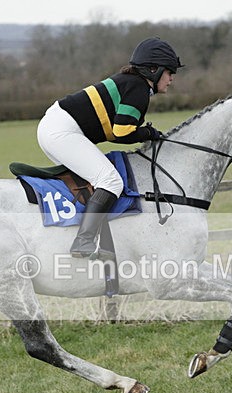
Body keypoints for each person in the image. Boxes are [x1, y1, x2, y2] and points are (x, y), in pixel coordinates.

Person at [37, 37, 183, 258]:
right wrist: (148, 133)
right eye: (169, 72)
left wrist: (144, 132)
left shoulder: (132, 82)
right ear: (154, 70)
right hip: (62, 131)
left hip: (56, 127)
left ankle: (81, 236)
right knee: (111, 181)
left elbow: (117, 132)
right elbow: (122, 132)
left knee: (94, 183)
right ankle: (83, 242)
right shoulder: (139, 89)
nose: (172, 78)